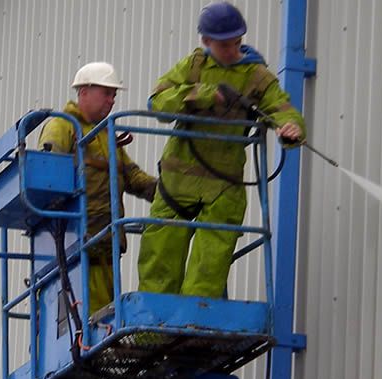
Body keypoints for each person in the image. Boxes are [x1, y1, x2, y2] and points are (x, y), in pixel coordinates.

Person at [137, 2, 307, 299]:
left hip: (224, 186)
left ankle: (195, 324)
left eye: (236, 43)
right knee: (160, 254)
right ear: (206, 42)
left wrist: (291, 129)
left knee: (210, 263)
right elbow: (158, 103)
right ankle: (153, 327)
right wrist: (203, 93)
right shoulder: (194, 67)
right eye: (225, 45)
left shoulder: (257, 77)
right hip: (177, 182)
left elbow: (283, 110)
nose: (232, 50)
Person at [38, 62, 157, 313]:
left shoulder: (106, 135)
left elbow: (132, 176)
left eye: (113, 95)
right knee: (82, 320)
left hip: (105, 247)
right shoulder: (63, 126)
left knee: (105, 318)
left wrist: (167, 192)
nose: (112, 101)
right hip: (74, 247)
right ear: (84, 92)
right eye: (107, 93)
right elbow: (45, 176)